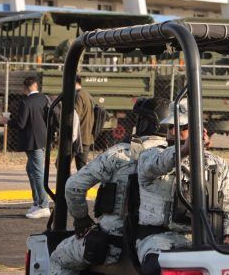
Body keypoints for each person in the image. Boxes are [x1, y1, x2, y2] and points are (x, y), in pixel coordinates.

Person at [48, 98, 170, 275]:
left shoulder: (120, 154)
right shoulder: (176, 159)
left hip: (113, 243)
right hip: (157, 243)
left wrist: (82, 219)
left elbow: (73, 186)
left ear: (146, 124)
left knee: (57, 259)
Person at [137, 99, 229, 274]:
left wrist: (228, 236)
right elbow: (158, 163)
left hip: (208, 236)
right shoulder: (151, 155)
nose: (173, 131)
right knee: (157, 266)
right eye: (170, 127)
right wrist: (185, 150)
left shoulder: (217, 163)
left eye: (182, 127)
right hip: (159, 237)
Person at [8, 77, 51, 219]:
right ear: (36, 86)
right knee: (31, 170)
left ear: (25, 88)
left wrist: (7, 121)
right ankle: (37, 202)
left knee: (37, 172)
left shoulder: (25, 102)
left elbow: (21, 124)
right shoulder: (44, 99)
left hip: (32, 142)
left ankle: (44, 205)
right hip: (42, 140)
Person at [74, 75, 95, 169]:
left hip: (79, 137)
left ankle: (67, 179)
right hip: (86, 136)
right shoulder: (86, 94)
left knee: (60, 163)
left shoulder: (78, 96)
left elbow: (75, 116)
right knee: (81, 167)